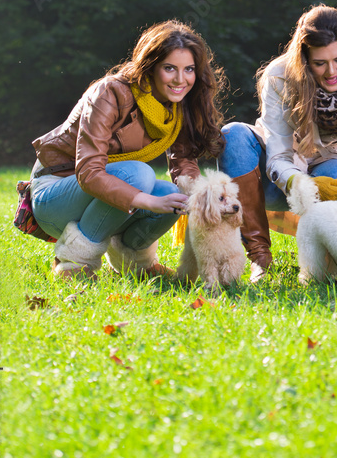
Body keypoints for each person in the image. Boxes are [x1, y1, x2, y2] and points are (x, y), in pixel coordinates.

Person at [218, 5, 337, 282]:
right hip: (282, 177)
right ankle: (260, 259)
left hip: (334, 172)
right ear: (304, 59)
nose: (331, 71)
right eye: (320, 63)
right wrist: (301, 184)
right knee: (232, 134)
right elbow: (278, 155)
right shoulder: (278, 76)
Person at [30, 20, 226, 280]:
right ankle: (73, 262)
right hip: (57, 193)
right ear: (151, 66)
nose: (181, 79)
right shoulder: (110, 92)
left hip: (109, 194)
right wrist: (149, 202)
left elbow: (183, 161)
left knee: (173, 193)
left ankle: (135, 263)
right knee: (138, 174)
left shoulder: (179, 105)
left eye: (189, 69)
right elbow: (89, 172)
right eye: (170, 68)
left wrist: (201, 197)